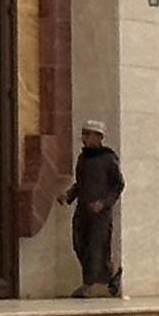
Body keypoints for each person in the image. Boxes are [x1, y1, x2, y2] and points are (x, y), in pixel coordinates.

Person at [61, 121, 120, 298]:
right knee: (80, 244)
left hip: (100, 213)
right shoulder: (83, 158)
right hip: (83, 210)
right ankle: (112, 275)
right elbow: (80, 184)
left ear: (98, 137)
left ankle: (88, 285)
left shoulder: (108, 158)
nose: (84, 138)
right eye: (83, 134)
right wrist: (68, 196)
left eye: (88, 134)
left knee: (96, 247)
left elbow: (118, 185)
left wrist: (104, 203)